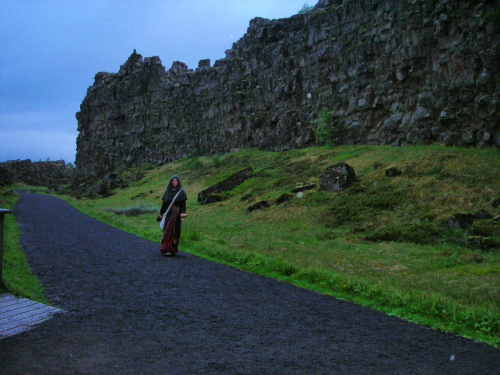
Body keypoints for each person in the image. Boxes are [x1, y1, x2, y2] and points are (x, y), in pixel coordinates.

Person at [157, 174, 187, 256]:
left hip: (176, 214)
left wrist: (182, 216)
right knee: (166, 231)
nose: (174, 182)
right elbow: (164, 205)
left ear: (178, 182)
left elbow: (183, 205)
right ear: (171, 181)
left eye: (176, 180)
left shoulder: (181, 192)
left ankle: (171, 250)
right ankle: (165, 248)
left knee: (174, 232)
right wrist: (160, 214)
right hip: (168, 214)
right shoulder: (167, 192)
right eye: (173, 180)